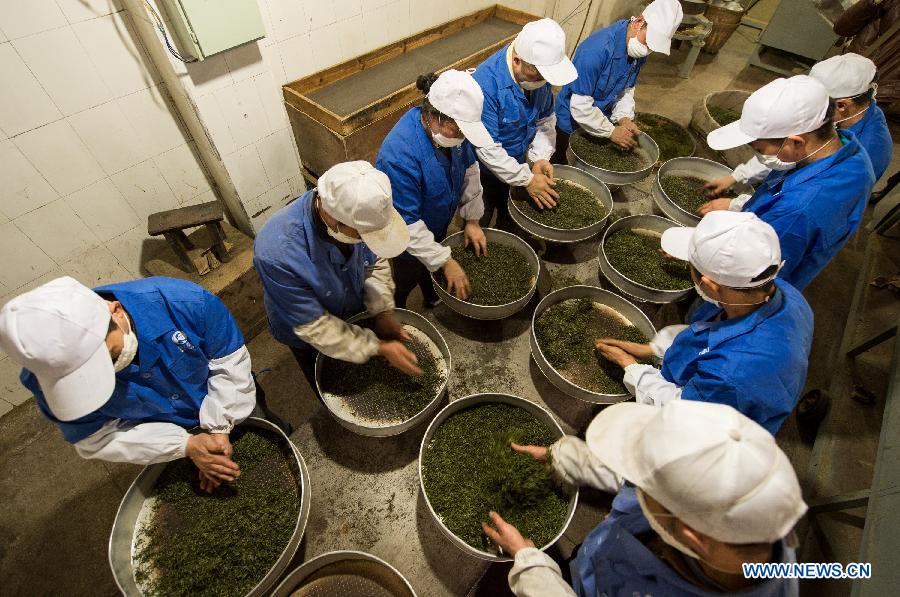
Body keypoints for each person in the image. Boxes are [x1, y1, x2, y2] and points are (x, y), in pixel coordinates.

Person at [483, 400, 808, 596]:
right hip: (598, 563)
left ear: (691, 535)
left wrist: (531, 565)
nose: (637, 486)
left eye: (647, 491)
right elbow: (645, 475)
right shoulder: (750, 518)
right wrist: (563, 458)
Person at [0, 276, 257, 493]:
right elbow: (96, 438)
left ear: (116, 311)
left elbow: (230, 366)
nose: (109, 372)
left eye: (109, 357)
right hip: (164, 431)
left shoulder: (185, 303)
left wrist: (219, 427)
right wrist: (186, 446)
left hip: (231, 400)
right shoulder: (48, 383)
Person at [594, 211, 813, 434]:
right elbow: (711, 335)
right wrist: (653, 350)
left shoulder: (730, 374)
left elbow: (681, 413)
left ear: (709, 286)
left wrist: (630, 367)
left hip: (713, 431)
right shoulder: (783, 295)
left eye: (691, 265)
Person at [253, 161, 422, 397]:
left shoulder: (358, 212)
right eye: (363, 235)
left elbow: (374, 260)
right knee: (327, 380)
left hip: (348, 303)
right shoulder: (276, 254)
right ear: (333, 218)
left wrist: (382, 311)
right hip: (306, 326)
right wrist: (378, 346)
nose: (366, 240)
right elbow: (315, 327)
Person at [699, 75, 875, 290]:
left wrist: (697, 251)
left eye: (759, 150)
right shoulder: (848, 154)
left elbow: (752, 273)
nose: (760, 156)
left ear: (796, 142)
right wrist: (738, 204)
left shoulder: (798, 210)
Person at [376, 69, 492, 308]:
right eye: (458, 130)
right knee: (407, 276)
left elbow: (470, 169)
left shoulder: (453, 134)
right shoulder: (398, 155)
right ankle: (398, 307)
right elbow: (406, 223)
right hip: (406, 239)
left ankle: (431, 295)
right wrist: (445, 261)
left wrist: (472, 219)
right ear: (434, 116)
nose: (462, 137)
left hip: (437, 224)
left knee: (432, 267)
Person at [706, 53, 892, 193]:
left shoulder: (869, 151)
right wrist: (738, 176)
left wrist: (741, 205)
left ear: (842, 105)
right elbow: (782, 149)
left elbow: (805, 197)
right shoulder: (832, 123)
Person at [473, 18, 577, 229]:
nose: (542, 81)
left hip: (519, 163)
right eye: (538, 74)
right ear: (517, 60)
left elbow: (545, 120)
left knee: (509, 215)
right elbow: (487, 149)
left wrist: (539, 157)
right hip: (483, 171)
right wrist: (527, 179)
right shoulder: (486, 84)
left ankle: (505, 225)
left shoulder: (537, 78)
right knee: (479, 218)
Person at [553, 0, 683, 160]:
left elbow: (625, 89)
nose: (647, 49)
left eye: (652, 47)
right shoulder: (595, 51)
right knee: (564, 163)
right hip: (572, 122)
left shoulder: (638, 50)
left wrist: (623, 117)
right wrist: (610, 131)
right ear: (639, 22)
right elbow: (580, 106)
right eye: (648, 41)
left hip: (602, 121)